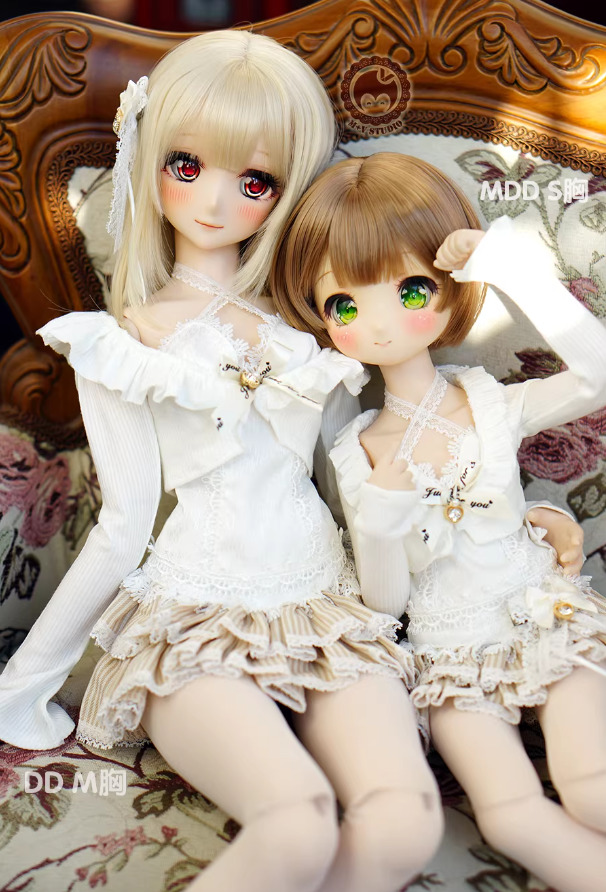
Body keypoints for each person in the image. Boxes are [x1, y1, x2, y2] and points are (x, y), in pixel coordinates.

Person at [0, 36, 448, 892]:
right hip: (195, 620)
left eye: (254, 181)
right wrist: (28, 680)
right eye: (186, 165)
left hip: (325, 609)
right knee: (296, 821)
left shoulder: (314, 329)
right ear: (149, 160)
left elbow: (352, 480)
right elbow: (125, 524)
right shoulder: (128, 342)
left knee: (404, 821)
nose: (213, 200)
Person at [270, 151, 606, 892]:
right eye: (345, 306)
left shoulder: (487, 403)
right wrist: (382, 518)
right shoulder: (355, 450)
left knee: (591, 784)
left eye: (410, 290)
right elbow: (386, 601)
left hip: (540, 613)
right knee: (509, 815)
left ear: (447, 288)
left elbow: (598, 374)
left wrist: (513, 271)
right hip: (448, 654)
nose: (379, 323)